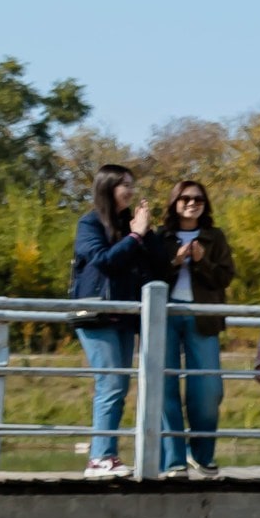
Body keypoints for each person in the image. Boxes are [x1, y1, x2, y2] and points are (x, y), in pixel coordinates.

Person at [70, 163, 159, 478]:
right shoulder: (90, 223)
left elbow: (152, 262)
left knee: (118, 386)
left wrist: (145, 233)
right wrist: (135, 235)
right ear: (107, 187)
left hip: (124, 316)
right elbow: (104, 262)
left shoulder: (128, 225)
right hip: (96, 316)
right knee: (110, 383)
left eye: (132, 184)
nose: (131, 190)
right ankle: (99, 459)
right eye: (125, 184)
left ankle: (107, 456)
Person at [155, 179, 234, 479]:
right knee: (165, 389)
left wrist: (200, 262)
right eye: (185, 198)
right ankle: (173, 460)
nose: (192, 203)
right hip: (165, 317)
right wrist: (175, 262)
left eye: (198, 199)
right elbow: (149, 276)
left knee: (208, 390)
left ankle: (201, 455)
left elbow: (224, 278)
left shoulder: (215, 236)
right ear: (174, 203)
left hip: (203, 317)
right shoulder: (160, 236)